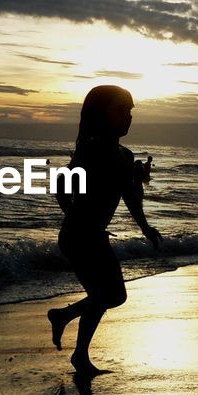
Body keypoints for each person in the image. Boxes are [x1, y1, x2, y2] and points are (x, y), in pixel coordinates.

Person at [47, 86, 160, 376]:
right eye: (121, 110)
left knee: (105, 296)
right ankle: (66, 322)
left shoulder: (124, 154)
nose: (128, 117)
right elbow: (61, 186)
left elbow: (129, 197)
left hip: (94, 235)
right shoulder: (92, 150)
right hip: (78, 236)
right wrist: (74, 216)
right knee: (110, 295)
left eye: (131, 111)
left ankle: (78, 349)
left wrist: (146, 228)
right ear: (100, 114)